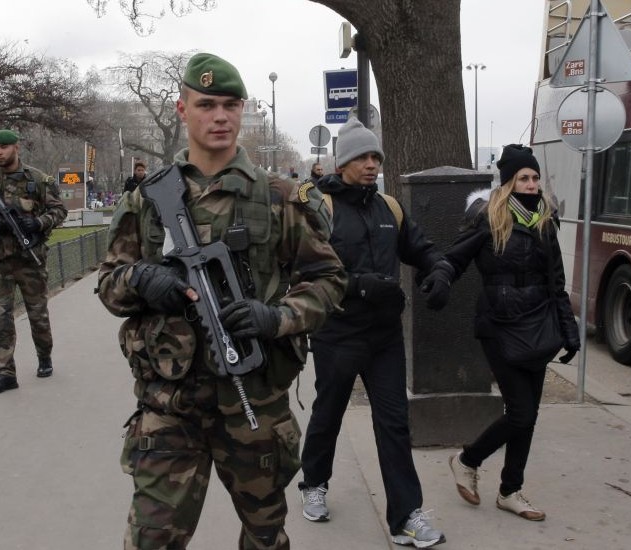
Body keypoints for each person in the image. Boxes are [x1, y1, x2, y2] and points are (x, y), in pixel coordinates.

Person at [96, 52, 347, 550]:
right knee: (150, 542)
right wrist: (143, 279)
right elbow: (109, 284)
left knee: (264, 539)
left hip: (254, 402)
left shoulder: (279, 197)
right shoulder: (148, 200)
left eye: (231, 105)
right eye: (206, 104)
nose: (220, 116)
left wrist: (277, 317)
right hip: (169, 406)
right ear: (181, 109)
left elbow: (329, 280)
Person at [297, 117, 446, 548]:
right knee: (329, 412)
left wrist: (437, 268)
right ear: (341, 163)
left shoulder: (389, 208)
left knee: (395, 424)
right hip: (337, 333)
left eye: (376, 157)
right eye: (362, 157)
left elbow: (419, 247)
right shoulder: (320, 207)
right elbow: (306, 270)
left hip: (383, 338)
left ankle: (405, 517)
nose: (371, 164)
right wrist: (358, 283)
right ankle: (314, 483)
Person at [419, 144, 580, 522]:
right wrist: (440, 278)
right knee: (521, 413)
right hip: (499, 327)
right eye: (523, 178)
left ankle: (510, 490)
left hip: (538, 326)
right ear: (508, 183)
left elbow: (556, 282)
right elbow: (454, 258)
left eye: (535, 177)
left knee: (529, 414)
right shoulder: (489, 218)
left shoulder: (544, 221)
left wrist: (569, 330)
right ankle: (466, 460)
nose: (531, 184)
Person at [0, 129, 67, 395]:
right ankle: (6, 373)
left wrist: (37, 222)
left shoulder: (37, 180)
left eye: (4, 147)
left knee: (38, 315)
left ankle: (44, 357)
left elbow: (59, 210)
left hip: (30, 261)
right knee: (1, 319)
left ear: (16, 148)